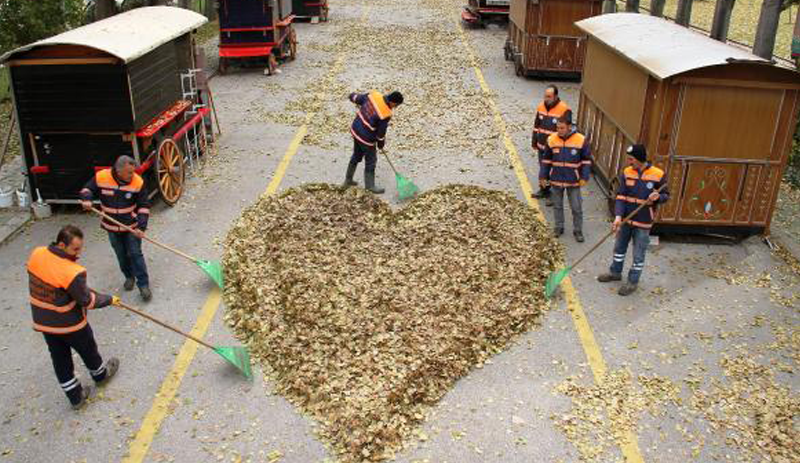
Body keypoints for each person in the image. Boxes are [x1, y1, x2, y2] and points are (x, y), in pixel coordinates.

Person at [27, 225, 120, 410]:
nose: (79, 253)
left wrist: (75, 288)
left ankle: (75, 397)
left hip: (45, 323)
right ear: (62, 245)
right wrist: (109, 299)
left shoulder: (37, 254)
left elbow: (50, 282)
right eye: (75, 249)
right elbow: (87, 301)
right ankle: (100, 375)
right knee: (88, 350)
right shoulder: (72, 272)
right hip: (69, 324)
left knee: (60, 359)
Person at [597, 144, 669, 296]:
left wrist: (657, 198)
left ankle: (632, 281)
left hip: (643, 222)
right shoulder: (627, 172)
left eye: (631, 159)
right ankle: (615, 272)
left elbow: (666, 195)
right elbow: (621, 196)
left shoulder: (658, 174)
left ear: (640, 159)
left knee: (638, 254)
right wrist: (617, 216)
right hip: (625, 220)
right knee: (619, 249)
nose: (629, 162)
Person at [80, 156, 152, 301]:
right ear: (118, 171)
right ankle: (129, 276)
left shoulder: (138, 182)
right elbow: (87, 189)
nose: (133, 175)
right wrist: (87, 199)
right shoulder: (102, 177)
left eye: (133, 172)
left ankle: (143, 285)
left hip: (131, 227)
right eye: (129, 173)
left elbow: (144, 206)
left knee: (135, 254)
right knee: (121, 255)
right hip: (111, 227)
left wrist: (141, 227)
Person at [540, 115, 591, 242]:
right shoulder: (551, 139)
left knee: (576, 207)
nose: (559, 130)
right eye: (557, 128)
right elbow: (546, 160)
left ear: (569, 127)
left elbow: (586, 161)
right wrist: (543, 176)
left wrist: (584, 177)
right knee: (557, 205)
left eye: (562, 128)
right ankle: (559, 227)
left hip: (573, 181)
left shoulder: (581, 140)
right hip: (556, 179)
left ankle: (578, 230)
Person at [344, 90, 404, 194]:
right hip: (366, 138)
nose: (395, 107)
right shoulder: (385, 113)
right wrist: (381, 144)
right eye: (396, 105)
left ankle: (348, 180)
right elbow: (381, 133)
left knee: (356, 155)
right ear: (393, 102)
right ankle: (370, 186)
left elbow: (358, 98)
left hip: (356, 130)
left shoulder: (374, 96)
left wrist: (351, 96)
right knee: (371, 161)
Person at [532, 85, 571, 206]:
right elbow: (536, 125)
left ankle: (555, 196)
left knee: (555, 171)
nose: (546, 98)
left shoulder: (564, 109)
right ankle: (544, 190)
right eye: (545, 96)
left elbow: (567, 130)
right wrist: (534, 141)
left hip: (555, 149)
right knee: (544, 170)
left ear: (556, 97)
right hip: (542, 146)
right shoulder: (541, 107)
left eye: (549, 96)